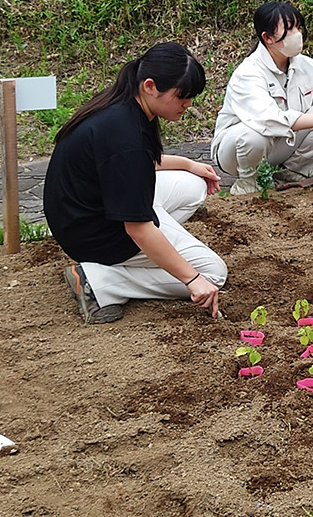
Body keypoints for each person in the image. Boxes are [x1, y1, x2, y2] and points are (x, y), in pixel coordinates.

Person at [46, 42, 225, 325]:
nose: (188, 104)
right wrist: (193, 279)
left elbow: (130, 164)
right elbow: (137, 228)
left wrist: (188, 164)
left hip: (82, 212)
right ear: (151, 86)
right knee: (213, 273)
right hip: (95, 234)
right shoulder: (126, 134)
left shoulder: (124, 105)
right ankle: (101, 281)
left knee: (192, 185)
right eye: (182, 96)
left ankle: (160, 239)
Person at [213, 1, 313, 193]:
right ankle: (249, 182)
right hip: (235, 152)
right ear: (267, 38)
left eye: (298, 27)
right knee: (253, 134)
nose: (297, 34)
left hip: (280, 145)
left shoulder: (306, 65)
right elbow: (269, 120)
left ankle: (294, 172)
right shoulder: (248, 73)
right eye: (289, 29)